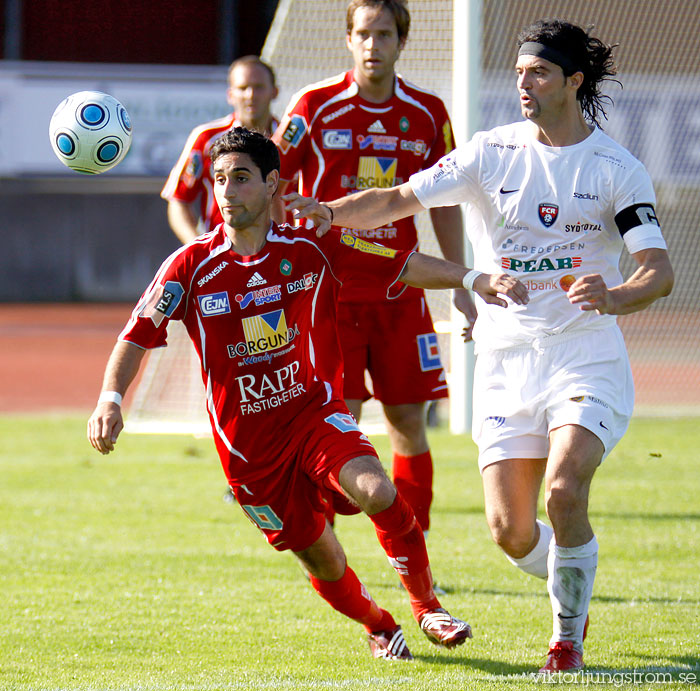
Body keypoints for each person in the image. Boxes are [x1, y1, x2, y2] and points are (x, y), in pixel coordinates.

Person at [284, 19, 674, 673]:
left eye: (539, 73)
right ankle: (573, 568)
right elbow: (397, 199)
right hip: (504, 357)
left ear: (574, 82)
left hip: (584, 352)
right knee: (510, 532)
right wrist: (331, 211)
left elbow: (657, 271)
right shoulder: (492, 153)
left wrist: (614, 293)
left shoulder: (615, 169)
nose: (524, 83)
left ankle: (566, 639)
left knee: (564, 488)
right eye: (520, 72)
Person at [87, 127, 529, 660]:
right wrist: (110, 399)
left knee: (377, 491)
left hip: (314, 415)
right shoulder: (189, 267)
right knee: (322, 559)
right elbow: (135, 336)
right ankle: (379, 623)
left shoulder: (311, 244)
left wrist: (473, 279)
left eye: (242, 179)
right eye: (220, 180)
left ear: (273, 183)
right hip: (249, 454)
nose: (227, 192)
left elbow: (402, 263)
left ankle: (427, 605)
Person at [271, 0, 477, 538]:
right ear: (348, 39)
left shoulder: (429, 114)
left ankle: (416, 547)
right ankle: (326, 546)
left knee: (408, 421)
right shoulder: (314, 105)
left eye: (384, 34)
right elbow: (272, 182)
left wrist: (458, 279)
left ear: (400, 42)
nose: (372, 45)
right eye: (363, 33)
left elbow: (447, 201)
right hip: (327, 297)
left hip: (399, 293)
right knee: (339, 421)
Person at [162, 55, 280, 243]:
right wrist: (200, 249)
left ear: (274, 92)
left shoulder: (292, 140)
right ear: (230, 94)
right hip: (224, 259)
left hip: (282, 258)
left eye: (258, 87)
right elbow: (178, 200)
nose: (250, 95)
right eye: (242, 88)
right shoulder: (207, 138)